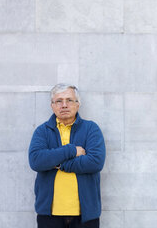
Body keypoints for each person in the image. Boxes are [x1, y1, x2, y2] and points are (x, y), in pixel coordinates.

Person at [29, 83, 106, 228]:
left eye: (69, 100)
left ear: (78, 104)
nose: (64, 105)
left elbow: (95, 162)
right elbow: (36, 161)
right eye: (59, 101)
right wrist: (71, 151)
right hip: (49, 215)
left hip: (85, 215)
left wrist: (58, 164)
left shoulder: (91, 129)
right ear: (52, 105)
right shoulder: (42, 131)